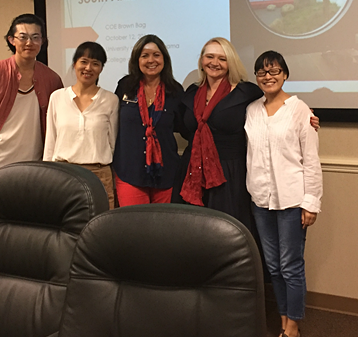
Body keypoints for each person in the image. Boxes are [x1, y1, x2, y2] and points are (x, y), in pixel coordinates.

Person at [245, 50, 322, 337]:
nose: (268, 77)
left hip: (292, 200)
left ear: (285, 74)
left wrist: (311, 202)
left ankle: (293, 331)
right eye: (262, 72)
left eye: (274, 71)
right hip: (261, 199)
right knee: (273, 266)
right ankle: (283, 324)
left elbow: (311, 160)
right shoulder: (251, 110)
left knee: (291, 266)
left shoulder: (300, 110)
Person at [171, 37, 264, 231]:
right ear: (201, 60)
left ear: (231, 62)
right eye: (210, 57)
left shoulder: (246, 92)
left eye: (222, 59)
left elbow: (272, 111)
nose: (215, 63)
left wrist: (305, 116)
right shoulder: (192, 92)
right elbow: (183, 127)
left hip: (229, 172)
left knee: (225, 231)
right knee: (191, 230)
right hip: (192, 169)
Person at [0, 14, 63, 194]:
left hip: (33, 165)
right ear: (11, 40)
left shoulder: (52, 79)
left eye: (35, 37)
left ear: (42, 41)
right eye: (23, 37)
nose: (29, 43)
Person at [43, 41, 119, 208]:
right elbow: (50, 141)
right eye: (84, 62)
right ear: (74, 64)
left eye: (95, 64)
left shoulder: (111, 100)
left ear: (101, 68)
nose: (88, 68)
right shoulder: (57, 97)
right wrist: (47, 174)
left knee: (101, 222)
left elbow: (112, 143)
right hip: (64, 173)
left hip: (99, 175)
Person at [113, 35, 184, 206]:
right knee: (134, 222)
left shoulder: (175, 91)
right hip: (130, 171)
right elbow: (113, 123)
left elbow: (183, 126)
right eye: (145, 56)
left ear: (164, 59)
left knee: (163, 223)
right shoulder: (125, 86)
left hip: (165, 173)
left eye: (156, 55)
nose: (151, 60)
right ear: (136, 60)